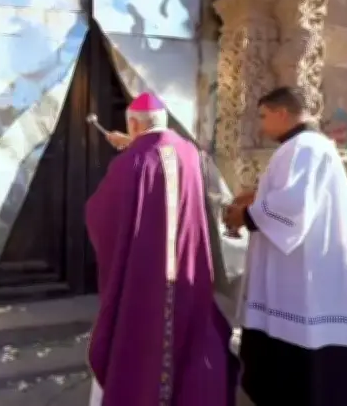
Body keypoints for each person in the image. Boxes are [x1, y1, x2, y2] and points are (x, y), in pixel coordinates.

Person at [223, 86, 347, 406]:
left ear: (283, 113)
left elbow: (293, 206)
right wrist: (256, 196)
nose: (262, 124)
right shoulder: (307, 146)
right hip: (310, 263)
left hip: (307, 270)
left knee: (302, 352)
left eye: (265, 116)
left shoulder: (303, 147)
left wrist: (244, 215)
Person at [86, 92, 239, 406]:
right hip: (187, 270)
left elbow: (100, 215)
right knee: (187, 339)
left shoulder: (131, 162)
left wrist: (130, 152)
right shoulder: (191, 154)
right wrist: (134, 146)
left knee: (144, 342)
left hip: (145, 277)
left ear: (133, 123)